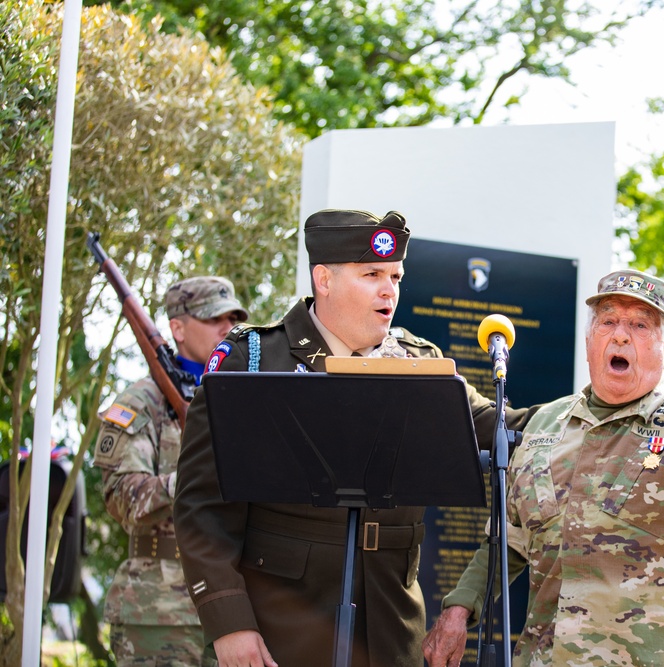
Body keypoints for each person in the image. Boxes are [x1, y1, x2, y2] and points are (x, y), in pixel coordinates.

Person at [174, 209, 537, 667]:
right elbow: (201, 507)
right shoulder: (253, 362)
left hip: (390, 633)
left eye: (396, 276)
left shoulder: (419, 364)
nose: (390, 290)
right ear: (323, 279)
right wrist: (230, 624)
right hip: (279, 632)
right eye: (371, 274)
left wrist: (597, 408)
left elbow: (508, 427)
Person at [423, 267, 664, 667]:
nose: (620, 334)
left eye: (639, 325)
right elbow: (510, 542)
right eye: (609, 321)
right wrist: (459, 609)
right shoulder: (546, 424)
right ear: (589, 340)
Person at [95, 276, 248, 666]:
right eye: (214, 319)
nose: (227, 329)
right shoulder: (142, 401)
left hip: (233, 606)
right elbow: (120, 497)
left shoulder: (241, 396)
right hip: (158, 609)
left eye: (233, 318)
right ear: (177, 328)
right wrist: (192, 481)